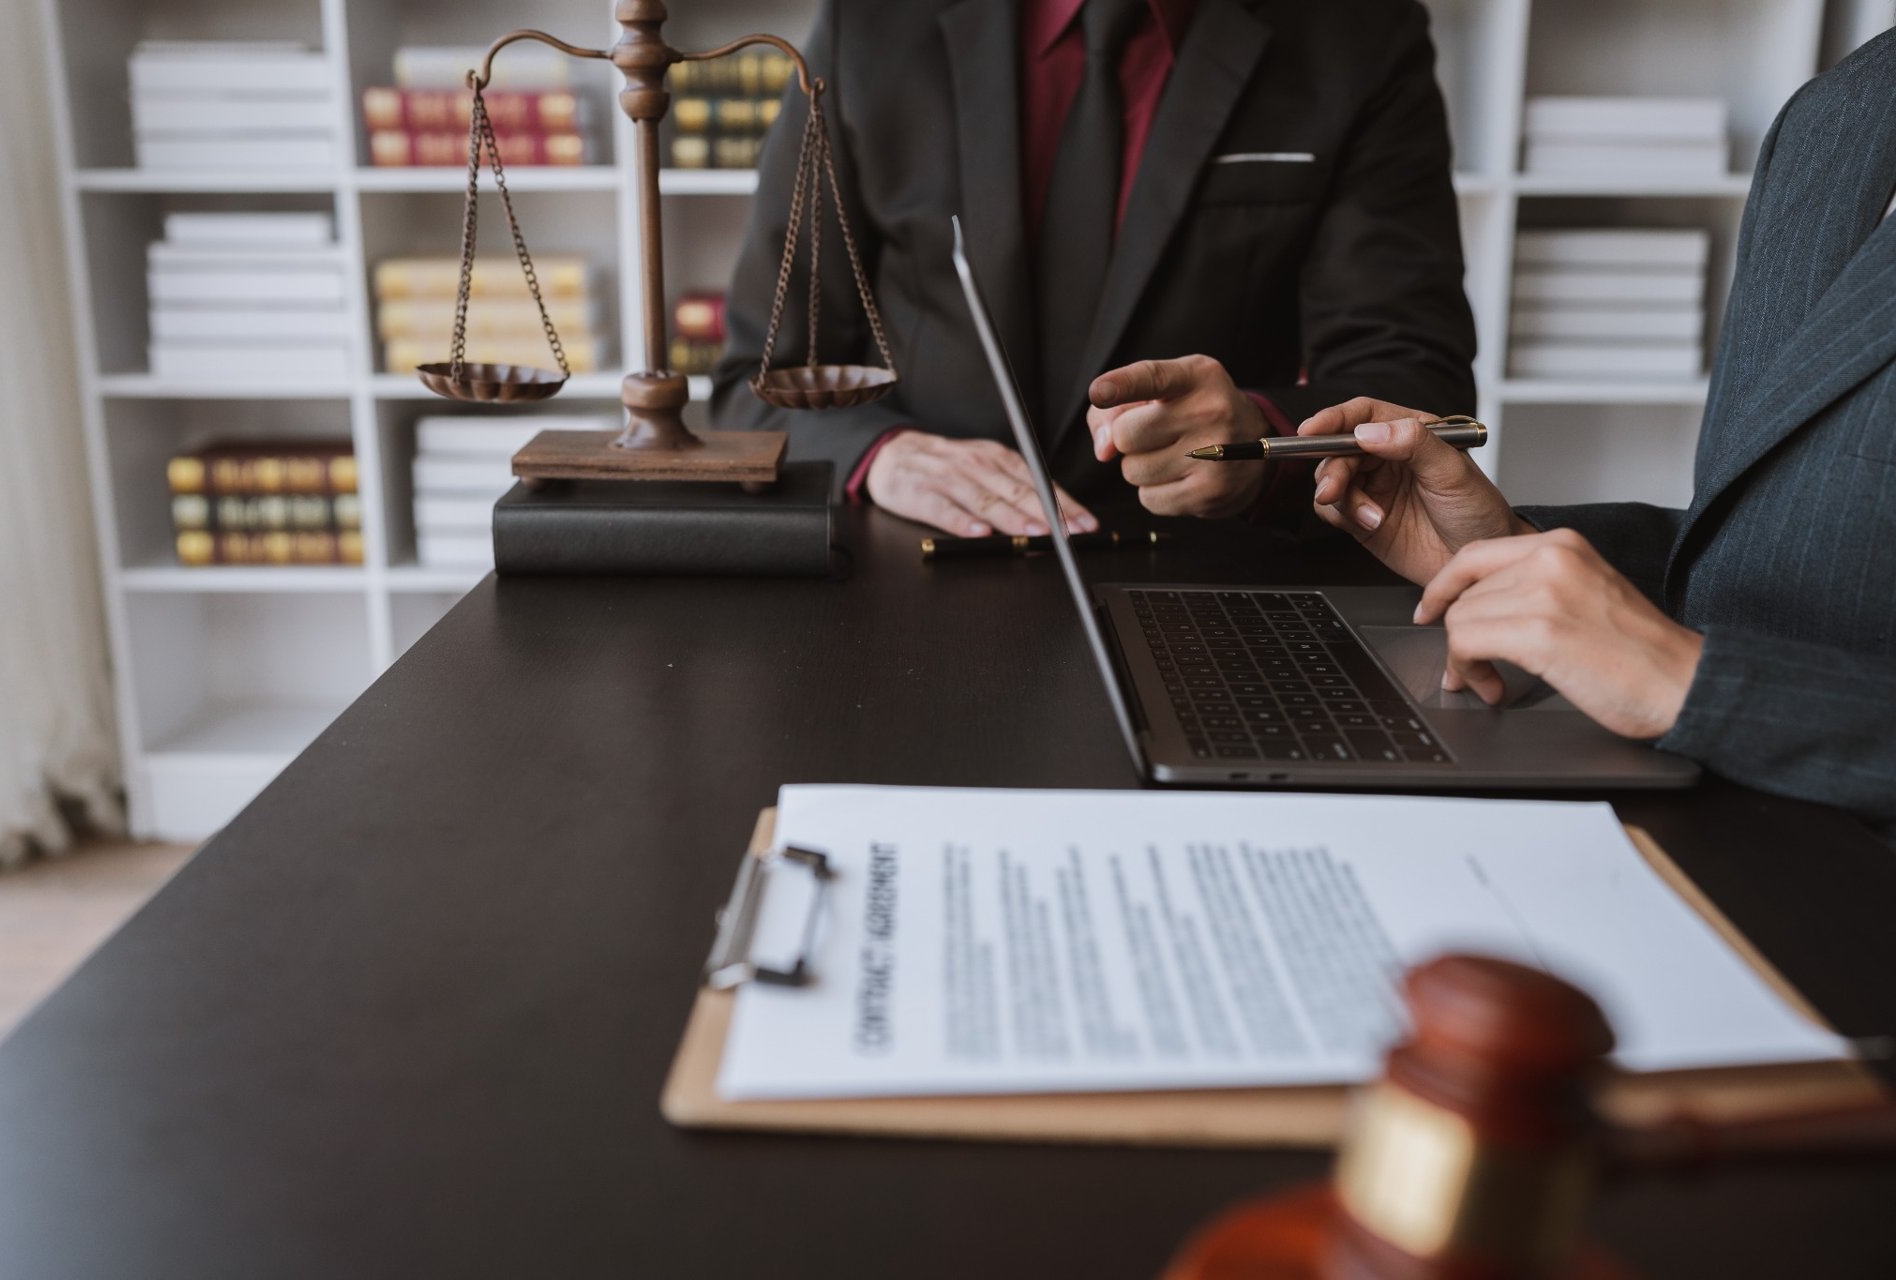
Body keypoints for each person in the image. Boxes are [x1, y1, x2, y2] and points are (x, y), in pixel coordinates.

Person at [1276, 29, 1896, 836]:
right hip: (1704, 828)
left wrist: (1698, 684)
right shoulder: (1844, 110)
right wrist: (1511, 548)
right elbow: (1787, 563)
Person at [712, 0, 1476, 537]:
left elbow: (1417, 382)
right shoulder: (871, 23)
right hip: (912, 566)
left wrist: (1264, 446)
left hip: (1206, 583)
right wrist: (880, 454)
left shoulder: (1361, 33)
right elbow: (756, 379)